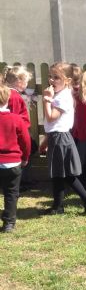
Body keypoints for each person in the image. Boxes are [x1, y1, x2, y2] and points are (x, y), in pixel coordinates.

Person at [41, 62, 86, 215]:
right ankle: (58, 206)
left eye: (56, 77)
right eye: (50, 76)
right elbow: (51, 124)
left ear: (67, 80)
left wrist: (47, 100)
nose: (51, 80)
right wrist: (46, 140)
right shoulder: (59, 94)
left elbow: (51, 117)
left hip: (60, 138)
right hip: (56, 137)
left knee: (65, 175)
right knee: (59, 174)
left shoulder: (63, 97)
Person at [0, 84, 31, 232]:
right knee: (11, 193)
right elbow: (26, 141)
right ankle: (9, 223)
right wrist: (25, 157)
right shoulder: (16, 119)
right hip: (12, 163)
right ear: (8, 99)